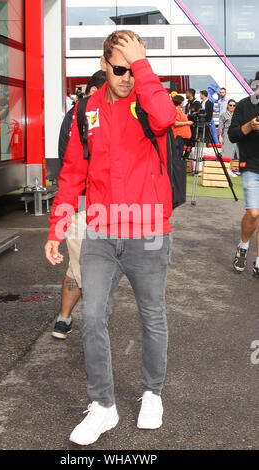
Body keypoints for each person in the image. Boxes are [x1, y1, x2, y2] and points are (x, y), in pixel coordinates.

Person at [45, 30, 177, 446]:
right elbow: (71, 174)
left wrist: (142, 66)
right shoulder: (87, 110)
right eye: (120, 69)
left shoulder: (148, 98)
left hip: (149, 231)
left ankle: (151, 393)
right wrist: (57, 226)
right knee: (92, 317)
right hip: (100, 231)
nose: (127, 77)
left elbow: (166, 118)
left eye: (133, 68)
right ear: (104, 65)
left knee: (151, 316)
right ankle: (102, 406)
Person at [52, 70, 107, 340]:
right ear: (96, 91)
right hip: (84, 205)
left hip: (109, 207)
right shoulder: (80, 116)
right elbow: (71, 166)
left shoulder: (103, 115)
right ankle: (65, 317)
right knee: (78, 267)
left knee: (95, 267)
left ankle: (74, 318)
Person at [228, 79, 259, 278]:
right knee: (254, 213)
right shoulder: (244, 105)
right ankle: (243, 246)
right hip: (252, 166)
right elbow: (232, 135)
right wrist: (249, 126)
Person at [218, 99, 239, 177]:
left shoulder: (237, 115)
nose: (232, 107)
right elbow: (220, 126)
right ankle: (227, 170)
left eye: (234, 105)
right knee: (227, 152)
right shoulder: (223, 115)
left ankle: (231, 169)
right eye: (230, 105)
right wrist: (220, 136)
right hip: (227, 133)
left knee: (234, 152)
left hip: (236, 134)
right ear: (227, 105)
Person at [171, 94, 193, 160]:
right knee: (177, 155)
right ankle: (176, 169)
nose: (183, 103)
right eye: (183, 101)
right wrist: (187, 123)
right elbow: (175, 123)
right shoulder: (176, 110)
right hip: (178, 136)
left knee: (179, 154)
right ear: (179, 102)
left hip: (181, 136)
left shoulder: (179, 110)